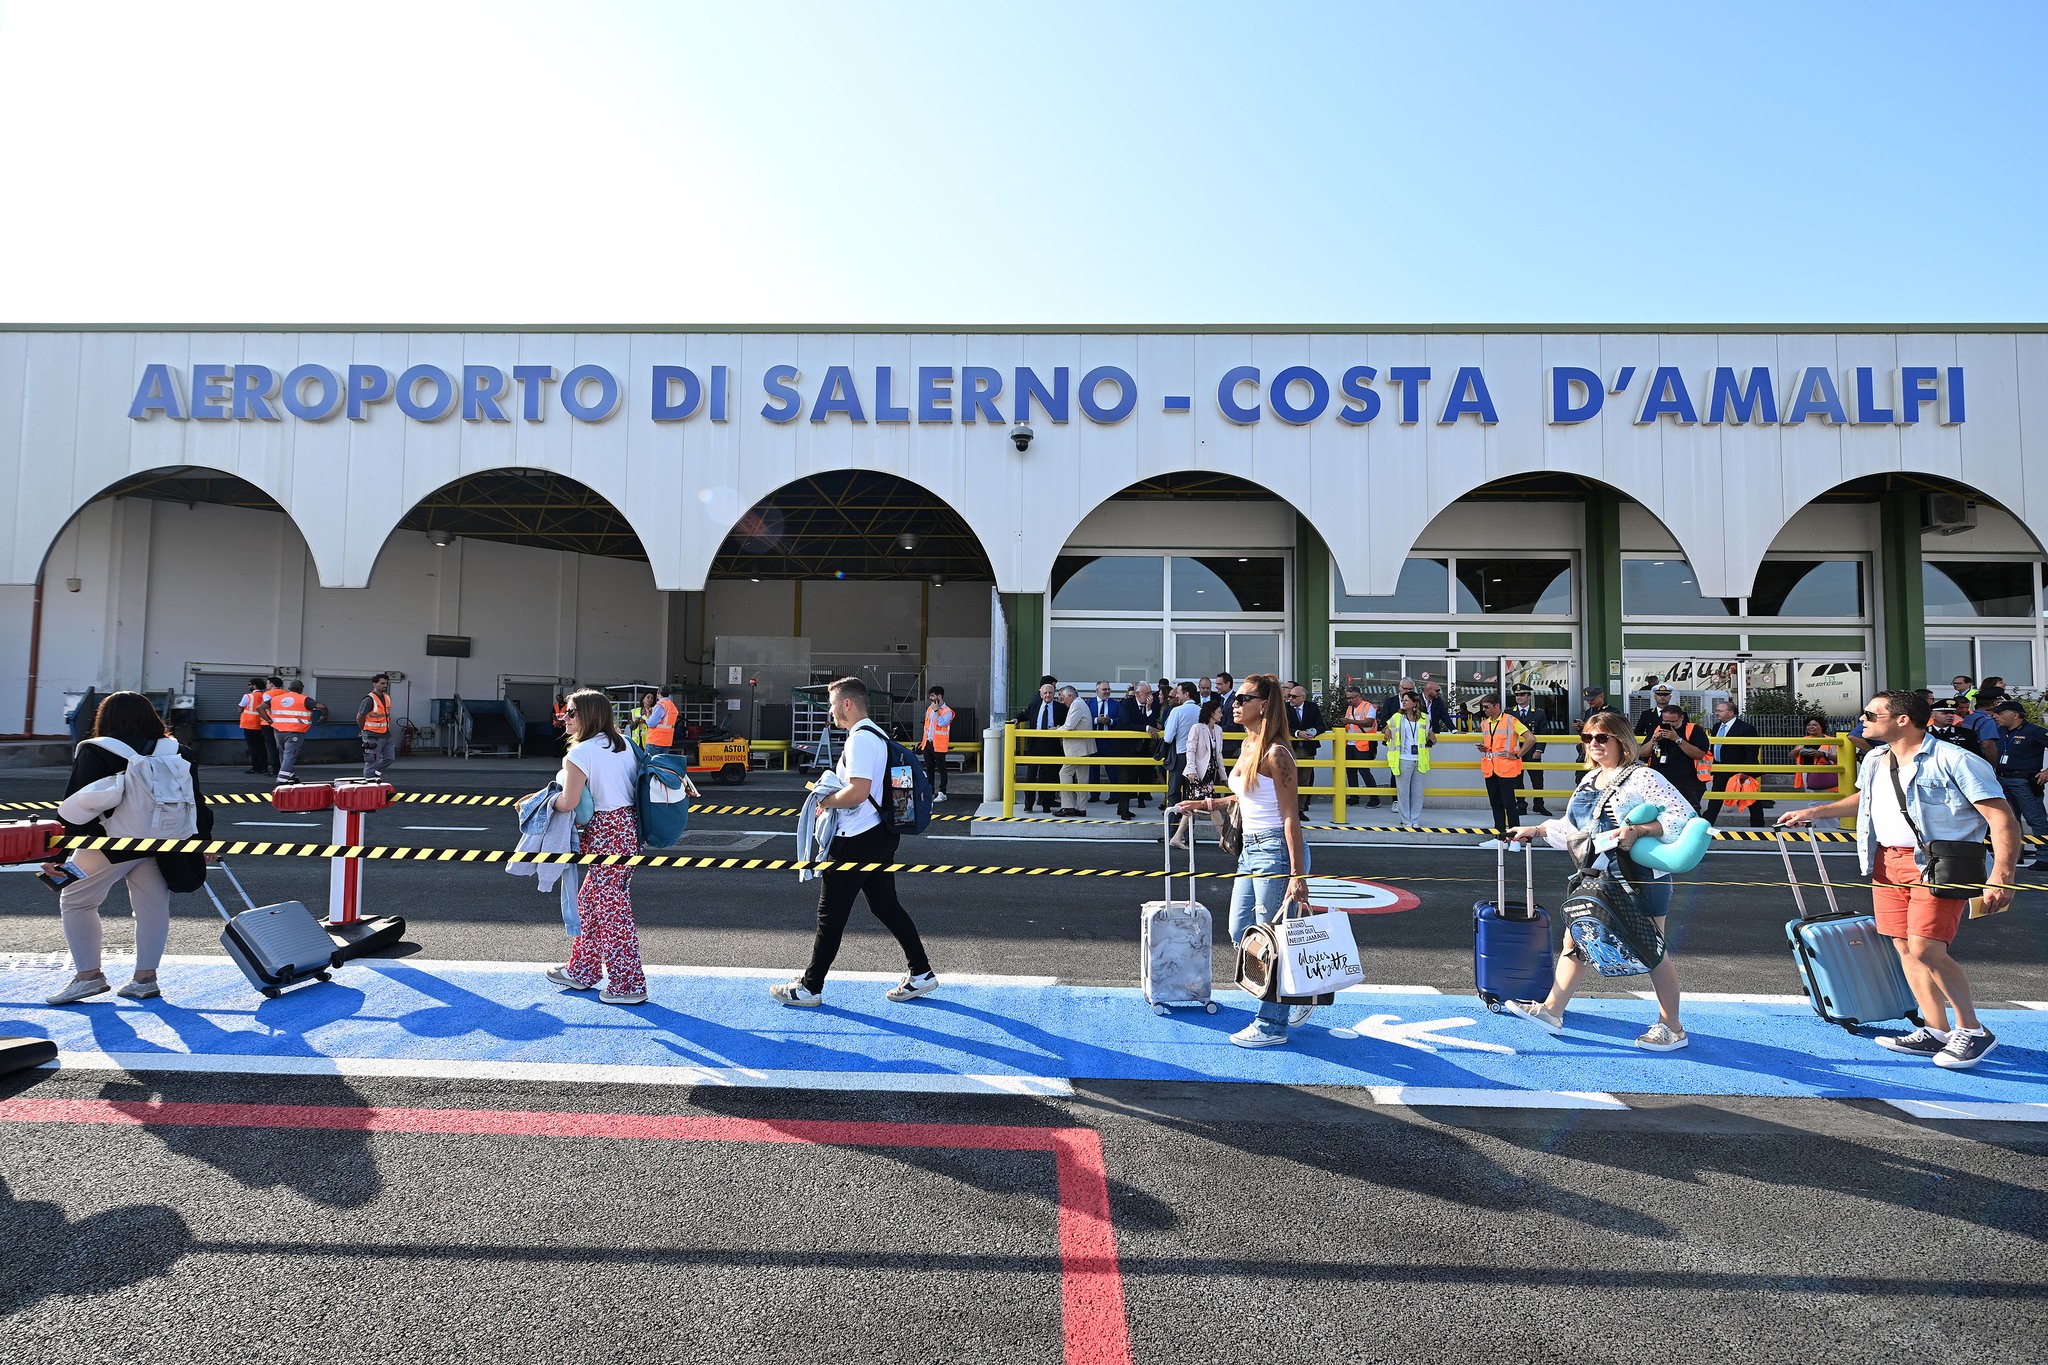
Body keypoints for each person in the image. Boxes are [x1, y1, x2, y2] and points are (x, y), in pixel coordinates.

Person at [1778, 690, 2018, 1069]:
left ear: (1902, 720)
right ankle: (1935, 1029)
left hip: (1937, 863)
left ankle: (1972, 1029)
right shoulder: (1875, 758)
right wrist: (1816, 809)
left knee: (1927, 948)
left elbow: (2002, 819)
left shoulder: (1956, 760)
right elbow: (1865, 800)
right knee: (1904, 947)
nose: (1864, 720)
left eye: (1872, 714)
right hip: (1886, 861)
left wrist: (2002, 874)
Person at [1502, 708, 1696, 1051]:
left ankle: (1673, 1027)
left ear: (1621, 740)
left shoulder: (1643, 778)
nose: (1594, 744)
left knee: (1651, 950)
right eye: (1587, 738)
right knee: (1576, 941)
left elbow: (1683, 818)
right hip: (1595, 874)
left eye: (1602, 737)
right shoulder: (1590, 780)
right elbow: (1573, 827)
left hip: (1639, 877)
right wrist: (1534, 829)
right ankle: (1551, 1010)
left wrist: (1638, 829)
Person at [773, 677, 937, 1008]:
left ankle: (810, 986)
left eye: (833, 704)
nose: (831, 711)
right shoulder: (877, 735)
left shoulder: (860, 740)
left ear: (848, 704)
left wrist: (827, 800)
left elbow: (859, 792)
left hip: (856, 839)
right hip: (880, 835)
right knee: (884, 905)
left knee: (830, 915)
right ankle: (921, 973)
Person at [41, 691, 214, 1005]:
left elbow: (76, 808)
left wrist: (59, 855)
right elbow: (197, 803)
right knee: (152, 909)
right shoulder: (179, 752)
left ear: (105, 718)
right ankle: (145, 979)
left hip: (108, 845)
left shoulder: (98, 750)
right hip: (165, 843)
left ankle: (88, 976)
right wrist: (202, 842)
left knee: (77, 901)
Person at [1172, 674, 1310, 1049]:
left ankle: (1272, 1024)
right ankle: (1292, 994)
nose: (1234, 704)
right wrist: (1205, 804)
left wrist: (1297, 874)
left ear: (1263, 704)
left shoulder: (1276, 753)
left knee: (1271, 941)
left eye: (1243, 698)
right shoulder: (1249, 743)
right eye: (1234, 698)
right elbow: (1245, 798)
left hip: (1275, 852)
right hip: (1250, 849)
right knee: (1239, 932)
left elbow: (1289, 818)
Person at [534, 689, 650, 1005]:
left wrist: (537, 802)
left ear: (587, 716)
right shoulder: (624, 744)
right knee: (590, 900)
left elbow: (569, 801)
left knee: (613, 911)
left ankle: (628, 985)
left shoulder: (580, 753)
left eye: (570, 712)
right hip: (628, 830)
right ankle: (583, 970)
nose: (564, 717)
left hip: (604, 833)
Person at [1988, 701, 2048, 869]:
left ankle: (2045, 857)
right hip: (2001, 780)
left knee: (2035, 819)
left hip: (2024, 782)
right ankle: (2015, 856)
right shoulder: (1999, 732)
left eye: (2000, 713)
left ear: (2015, 715)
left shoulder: (2034, 731)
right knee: (2008, 820)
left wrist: (2046, 772)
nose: (1995, 716)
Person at [1171, 696, 1228, 849]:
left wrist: (1224, 776)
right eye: (1218, 712)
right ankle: (1225, 839)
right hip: (1196, 773)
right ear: (1211, 713)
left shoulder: (1218, 730)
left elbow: (1219, 755)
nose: (1221, 715)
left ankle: (1177, 837)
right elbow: (1190, 750)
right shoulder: (1197, 728)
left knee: (1200, 806)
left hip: (1209, 773)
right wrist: (1191, 769)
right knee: (1208, 805)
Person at [1703, 698, 1770, 827]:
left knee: (1751, 799)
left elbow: (1752, 751)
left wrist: (1746, 771)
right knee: (1715, 798)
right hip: (1720, 769)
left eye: (1720, 711)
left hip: (1740, 769)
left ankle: (1758, 826)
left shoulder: (1746, 728)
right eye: (1716, 711)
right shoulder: (1717, 727)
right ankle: (1706, 825)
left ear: (1731, 712)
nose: (1717, 713)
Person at [1475, 695, 1533, 837]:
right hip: (1491, 768)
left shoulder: (1510, 720)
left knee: (1510, 804)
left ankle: (1514, 838)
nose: (1484, 710)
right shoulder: (1485, 723)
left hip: (1506, 768)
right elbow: (1493, 744)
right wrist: (1485, 748)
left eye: (1487, 707)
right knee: (1496, 803)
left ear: (1497, 706)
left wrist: (1518, 755)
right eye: (1483, 707)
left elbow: (1531, 738)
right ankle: (1500, 836)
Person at [1642, 703, 1709, 814]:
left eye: (1673, 721)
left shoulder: (1694, 730)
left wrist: (1677, 739)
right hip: (1660, 782)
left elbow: (1699, 754)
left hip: (1687, 783)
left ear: (1681, 718)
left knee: (1688, 813)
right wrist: (1653, 740)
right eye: (1665, 721)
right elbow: (1643, 753)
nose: (1669, 725)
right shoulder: (1657, 729)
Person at [1384, 690, 1434, 827]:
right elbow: (1386, 726)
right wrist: (1387, 729)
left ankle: (1415, 819)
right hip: (1403, 758)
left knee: (1417, 793)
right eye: (1403, 700)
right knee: (1403, 792)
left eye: (1406, 700)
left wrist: (1431, 735)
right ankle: (1406, 820)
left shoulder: (1425, 717)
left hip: (1420, 759)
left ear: (1415, 703)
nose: (1403, 702)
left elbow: (1429, 731)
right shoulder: (1398, 717)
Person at [1013, 681, 1065, 813]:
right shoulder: (1034, 706)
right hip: (1035, 745)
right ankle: (1028, 805)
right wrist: (1016, 720)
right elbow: (1024, 715)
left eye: (1050, 693)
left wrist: (1058, 728)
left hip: (1052, 745)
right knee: (1030, 776)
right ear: (1041, 694)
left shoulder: (1061, 708)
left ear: (1054, 694)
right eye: (1045, 693)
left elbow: (1067, 723)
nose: (1048, 695)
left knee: (1049, 776)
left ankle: (1046, 805)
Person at [1160, 683, 1202, 840]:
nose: (1176, 695)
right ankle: (1188, 835)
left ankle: (1171, 834)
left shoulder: (1177, 711)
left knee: (1173, 795)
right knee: (1191, 797)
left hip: (1179, 756)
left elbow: (1168, 737)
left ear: (1186, 695)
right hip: (1197, 758)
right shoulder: (1200, 711)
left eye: (1178, 693)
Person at [1790, 716, 1843, 831]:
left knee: (1823, 801)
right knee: (1814, 800)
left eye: (1814, 725)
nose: (1811, 727)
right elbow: (1790, 755)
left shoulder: (1831, 740)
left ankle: (1825, 828)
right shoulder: (1804, 740)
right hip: (1807, 774)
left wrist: (1822, 754)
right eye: (1808, 725)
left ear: (1822, 727)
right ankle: (1818, 827)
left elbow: (1839, 758)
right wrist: (1798, 749)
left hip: (1823, 774)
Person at [1509, 684, 1554, 817]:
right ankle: (1521, 805)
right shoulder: (1509, 712)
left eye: (1522, 695)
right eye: (1517, 695)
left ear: (1529, 696)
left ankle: (1539, 804)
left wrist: (1539, 750)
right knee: (1517, 780)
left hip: (1533, 751)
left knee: (1537, 779)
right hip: (1516, 751)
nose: (1519, 697)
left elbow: (1543, 732)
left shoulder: (1538, 713)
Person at [272, 680, 327, 783]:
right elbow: (322, 706)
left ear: (289, 688)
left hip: (278, 731)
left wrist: (268, 720)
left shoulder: (276, 699)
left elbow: (260, 707)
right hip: (294, 731)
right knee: (290, 754)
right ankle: (282, 779)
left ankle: (291, 775)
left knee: (283, 754)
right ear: (302, 688)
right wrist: (324, 716)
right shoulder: (304, 699)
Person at [1285, 681, 1324, 816]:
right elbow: (1282, 726)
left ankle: (1300, 809)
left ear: (1303, 697)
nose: (1291, 699)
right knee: (1289, 779)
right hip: (1291, 748)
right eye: (1290, 696)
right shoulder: (1285, 708)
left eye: (1294, 696)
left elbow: (1321, 725)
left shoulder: (1312, 707)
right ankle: (1289, 809)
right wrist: (1297, 733)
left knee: (1304, 780)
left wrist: (1313, 732)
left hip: (1308, 748)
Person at [1054, 685, 1094, 816]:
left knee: (1064, 773)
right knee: (1082, 779)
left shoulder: (1076, 705)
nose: (1062, 701)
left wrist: (1055, 731)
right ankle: (1081, 808)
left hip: (1077, 750)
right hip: (1083, 748)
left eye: (1063, 698)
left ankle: (1068, 806)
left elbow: (1069, 726)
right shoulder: (1080, 703)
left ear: (1070, 696)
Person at [1341, 684, 1382, 809]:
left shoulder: (1369, 707)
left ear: (1358, 696)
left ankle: (1375, 798)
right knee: (1350, 772)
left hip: (1363, 743)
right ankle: (1354, 797)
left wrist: (1350, 721)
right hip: (1350, 743)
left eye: (1351, 698)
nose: (1349, 700)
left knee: (1364, 771)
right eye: (1347, 698)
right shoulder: (1350, 708)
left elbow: (1369, 722)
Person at [357, 673, 398, 781]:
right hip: (372, 735)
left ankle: (376, 773)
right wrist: (363, 730)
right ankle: (369, 784)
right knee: (372, 761)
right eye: (382, 683)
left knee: (389, 758)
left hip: (386, 734)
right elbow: (360, 717)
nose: (385, 685)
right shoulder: (369, 700)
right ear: (374, 684)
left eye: (387, 683)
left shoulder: (387, 697)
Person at [1084, 680, 1119, 803]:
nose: (1107, 692)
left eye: (1108, 689)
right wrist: (1095, 720)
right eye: (1104, 689)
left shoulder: (1116, 704)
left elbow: (1121, 719)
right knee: (1093, 769)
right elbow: (1084, 720)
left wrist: (1111, 721)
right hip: (1093, 740)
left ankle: (1114, 795)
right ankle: (1094, 794)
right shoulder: (1088, 704)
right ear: (1097, 690)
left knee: (1112, 769)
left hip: (1110, 741)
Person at [919, 685, 954, 803]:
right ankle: (930, 791)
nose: (931, 698)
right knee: (929, 769)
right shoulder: (929, 709)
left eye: (933, 696)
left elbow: (942, 723)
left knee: (941, 769)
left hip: (939, 744)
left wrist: (936, 711)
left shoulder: (947, 711)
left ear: (939, 696)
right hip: (928, 744)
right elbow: (927, 727)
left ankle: (942, 792)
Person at [1950, 693, 2000, 762]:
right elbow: (1988, 745)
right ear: (1995, 703)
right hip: (1981, 758)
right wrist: (1995, 765)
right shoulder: (1987, 720)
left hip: (1964, 756)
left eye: (1966, 707)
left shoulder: (1969, 717)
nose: (1964, 710)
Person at [236, 676, 269, 773]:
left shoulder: (248, 696)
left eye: (250, 685)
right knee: (262, 746)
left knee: (252, 747)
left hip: (249, 724)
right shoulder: (266, 696)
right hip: (263, 723)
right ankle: (264, 767)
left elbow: (240, 708)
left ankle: (256, 767)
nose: (249, 686)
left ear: (254, 686)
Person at [261, 674, 288, 776]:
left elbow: (266, 707)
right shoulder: (286, 693)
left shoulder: (268, 694)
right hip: (283, 722)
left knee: (271, 747)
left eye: (268, 683)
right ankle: (284, 767)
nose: (267, 685)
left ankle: (275, 769)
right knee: (282, 747)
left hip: (269, 722)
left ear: (271, 684)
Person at [644, 687, 682, 756]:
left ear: (658, 693)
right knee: (661, 764)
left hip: (655, 741)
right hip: (667, 742)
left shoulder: (660, 705)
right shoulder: (673, 707)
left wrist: (648, 716)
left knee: (649, 764)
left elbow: (651, 724)